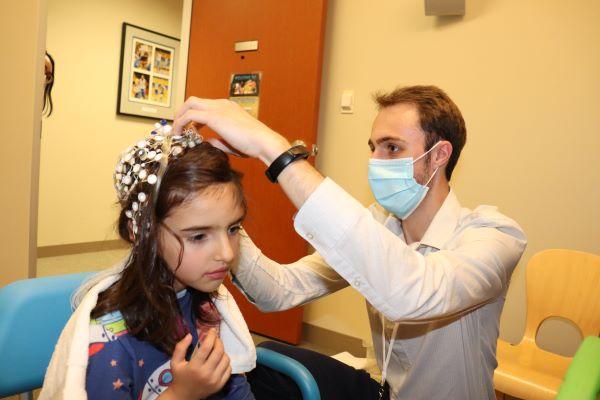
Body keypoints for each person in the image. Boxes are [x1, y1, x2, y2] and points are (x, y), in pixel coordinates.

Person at [172, 86, 527, 400]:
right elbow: (277, 290)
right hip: (383, 391)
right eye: (373, 148)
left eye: (392, 147)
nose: (374, 161)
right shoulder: (380, 225)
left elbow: (411, 292)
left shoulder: (494, 236)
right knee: (263, 370)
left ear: (438, 155)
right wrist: (222, 225)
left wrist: (273, 149)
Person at [39, 121, 256, 400]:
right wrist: (180, 394)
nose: (227, 253)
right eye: (199, 236)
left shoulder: (209, 303)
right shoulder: (110, 337)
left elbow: (236, 391)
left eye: (233, 229)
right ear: (142, 232)